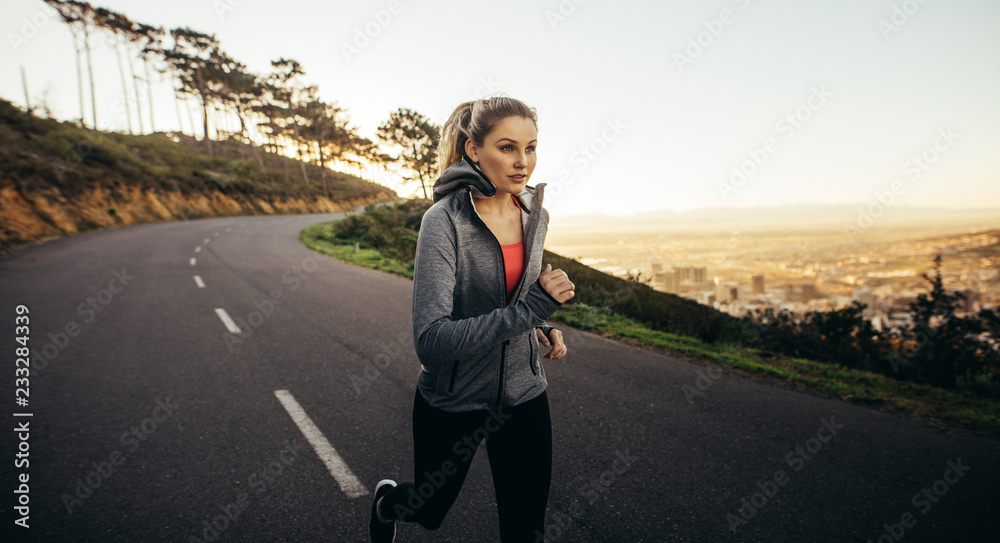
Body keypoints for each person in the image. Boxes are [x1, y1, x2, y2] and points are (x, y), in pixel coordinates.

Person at [368, 95, 576, 543]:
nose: (523, 163)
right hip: (454, 398)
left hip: (524, 393)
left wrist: (539, 326)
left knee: (526, 531)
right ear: (473, 150)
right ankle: (388, 504)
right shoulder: (443, 222)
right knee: (428, 510)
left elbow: (512, 298)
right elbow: (431, 340)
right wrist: (533, 309)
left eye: (531, 147)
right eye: (507, 148)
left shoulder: (534, 216)